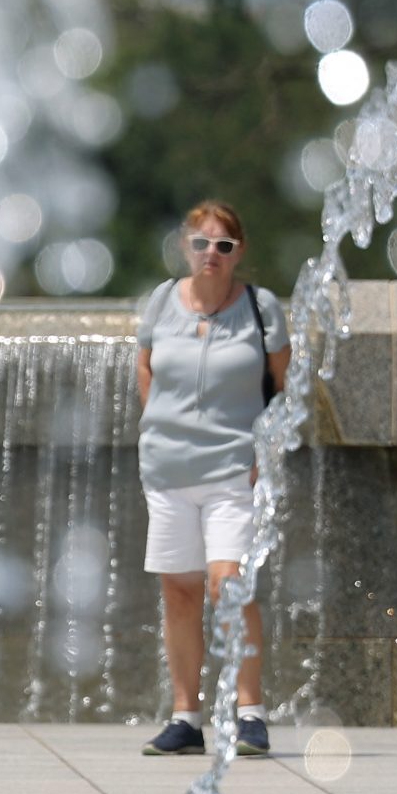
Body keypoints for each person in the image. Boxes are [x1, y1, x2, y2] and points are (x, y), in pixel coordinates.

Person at [135, 200, 290, 758]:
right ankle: (185, 718)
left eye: (223, 246)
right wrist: (157, 423)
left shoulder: (259, 307)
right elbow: (146, 364)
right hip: (169, 469)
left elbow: (282, 386)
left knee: (230, 583)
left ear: (238, 251)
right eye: (202, 244)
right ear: (186, 246)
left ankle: (250, 713)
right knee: (179, 592)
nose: (211, 255)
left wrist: (263, 453)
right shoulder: (160, 300)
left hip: (232, 470)